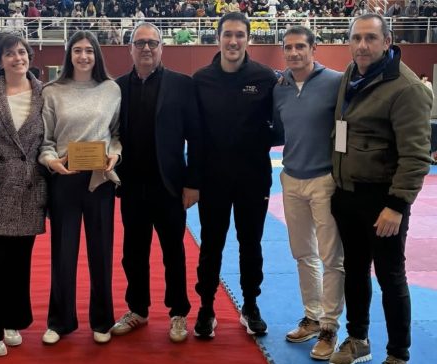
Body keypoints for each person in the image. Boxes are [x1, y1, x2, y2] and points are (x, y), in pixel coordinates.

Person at [328, 14, 432, 364]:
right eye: (356, 38)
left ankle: (398, 357)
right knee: (355, 271)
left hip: (383, 201)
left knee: (390, 277)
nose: (362, 45)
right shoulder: (350, 75)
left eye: (371, 38)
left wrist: (397, 205)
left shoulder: (406, 88)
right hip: (347, 194)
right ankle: (358, 339)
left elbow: (416, 156)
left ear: (387, 41)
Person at [111, 22, 202, 342]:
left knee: (173, 252)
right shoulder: (117, 87)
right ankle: (137, 309)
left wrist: (193, 183)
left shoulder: (182, 85)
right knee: (133, 253)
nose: (146, 48)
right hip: (132, 186)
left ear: (162, 47)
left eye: (152, 43)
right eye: (140, 43)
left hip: (170, 186)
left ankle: (178, 312)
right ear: (130, 49)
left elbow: (197, 137)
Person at [193, 12, 277, 338]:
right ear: (218, 38)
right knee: (211, 245)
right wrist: (193, 180)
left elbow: (282, 124)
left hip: (253, 179)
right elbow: (194, 135)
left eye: (239, 35)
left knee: (250, 244)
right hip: (213, 180)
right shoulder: (201, 79)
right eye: (227, 34)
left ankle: (250, 305)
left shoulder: (265, 77)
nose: (233, 41)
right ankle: (206, 307)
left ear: (248, 39)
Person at [38, 30, 121, 345]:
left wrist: (115, 154)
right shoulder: (52, 91)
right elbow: (45, 139)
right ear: (69, 55)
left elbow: (116, 133)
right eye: (77, 50)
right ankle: (60, 321)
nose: (84, 56)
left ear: (97, 54)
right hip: (65, 177)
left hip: (99, 180)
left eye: (89, 50)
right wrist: (51, 161)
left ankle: (102, 320)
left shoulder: (111, 89)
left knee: (101, 252)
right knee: (63, 253)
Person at [0, 33, 48, 357]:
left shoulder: (44, 93)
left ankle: (13, 319)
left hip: (29, 188)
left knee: (18, 262)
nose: (18, 58)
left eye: (22, 52)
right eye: (10, 54)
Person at [272, 25, 345, 360]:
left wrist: (340, 169)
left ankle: (330, 326)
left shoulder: (335, 82)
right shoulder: (280, 87)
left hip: (324, 180)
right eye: (288, 48)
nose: (294, 53)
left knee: (332, 257)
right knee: (303, 253)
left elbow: (344, 127)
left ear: (314, 48)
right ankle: (312, 317)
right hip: (291, 178)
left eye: (300, 46)